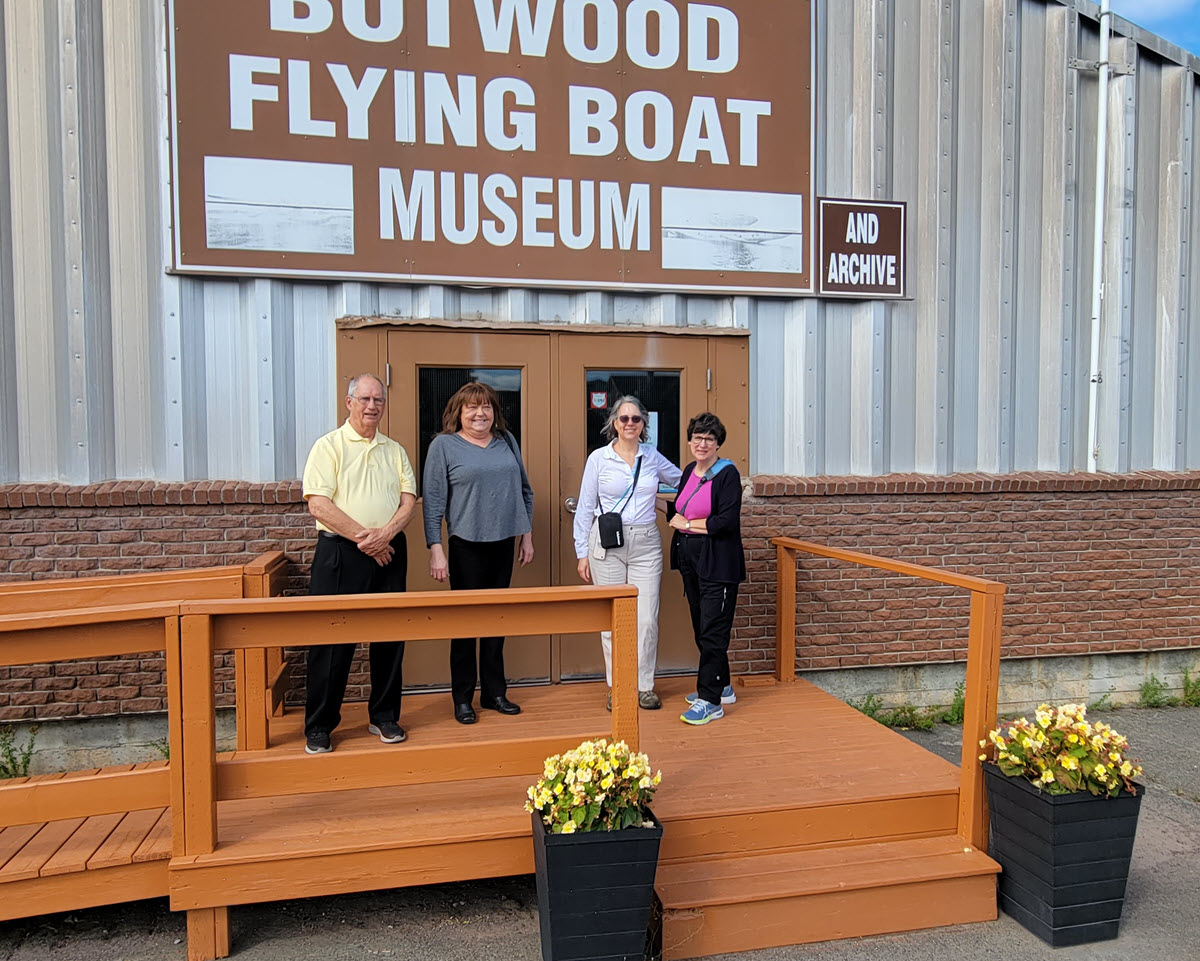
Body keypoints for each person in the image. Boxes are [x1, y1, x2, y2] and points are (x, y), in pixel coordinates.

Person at [301, 373, 417, 754]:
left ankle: (384, 716)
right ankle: (319, 725)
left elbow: (408, 502)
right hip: (340, 554)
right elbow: (318, 503)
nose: (372, 406)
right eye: (365, 399)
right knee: (332, 641)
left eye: (378, 400)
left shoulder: (394, 449)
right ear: (348, 402)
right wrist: (368, 539)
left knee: (389, 638)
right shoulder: (328, 446)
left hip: (388, 552)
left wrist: (384, 536)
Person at [423, 382, 535, 724]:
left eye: (486, 407)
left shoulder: (507, 442)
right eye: (471, 407)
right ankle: (462, 698)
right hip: (465, 545)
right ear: (459, 412)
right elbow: (433, 502)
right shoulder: (444, 446)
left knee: (496, 620)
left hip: (502, 544)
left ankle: (494, 692)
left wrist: (525, 536)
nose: (479, 413)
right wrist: (436, 549)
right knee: (465, 623)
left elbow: (524, 491)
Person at [574, 395, 682, 710]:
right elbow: (584, 508)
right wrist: (582, 552)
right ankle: (619, 686)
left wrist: (664, 502)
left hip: (646, 542)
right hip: (606, 543)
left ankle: (644, 686)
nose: (630, 424)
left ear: (643, 424)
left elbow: (681, 483)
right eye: (624, 419)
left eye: (636, 419)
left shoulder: (652, 456)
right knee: (613, 619)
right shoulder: (599, 458)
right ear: (614, 424)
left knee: (646, 618)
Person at [668, 412, 746, 726]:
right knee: (702, 627)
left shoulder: (728, 474)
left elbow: (725, 521)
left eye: (709, 439)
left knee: (714, 631)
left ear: (718, 444)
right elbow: (678, 507)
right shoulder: (689, 471)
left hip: (718, 563)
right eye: (697, 438)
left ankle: (710, 700)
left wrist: (687, 524)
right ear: (689, 441)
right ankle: (722, 685)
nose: (702, 444)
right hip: (692, 561)